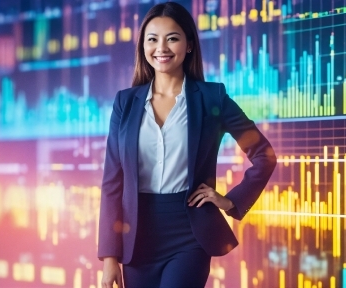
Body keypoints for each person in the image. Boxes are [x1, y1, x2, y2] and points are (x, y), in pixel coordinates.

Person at [98, 2, 276, 287]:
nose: (162, 47)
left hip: (189, 235)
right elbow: (112, 184)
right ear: (143, 46)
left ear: (189, 44)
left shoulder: (211, 98)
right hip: (137, 239)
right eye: (152, 39)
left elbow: (264, 154)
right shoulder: (125, 103)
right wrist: (109, 258)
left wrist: (231, 201)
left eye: (173, 38)